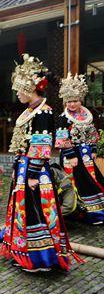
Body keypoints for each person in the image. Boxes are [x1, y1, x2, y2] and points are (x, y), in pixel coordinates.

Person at [0, 54, 82, 272]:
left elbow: (42, 145)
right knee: (25, 210)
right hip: (25, 167)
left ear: (30, 89)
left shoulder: (43, 112)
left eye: (19, 90)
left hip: (34, 169)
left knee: (37, 211)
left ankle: (41, 258)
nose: (17, 94)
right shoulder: (31, 111)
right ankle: (26, 251)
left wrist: (33, 174)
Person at [55, 73, 104, 225]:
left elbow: (93, 134)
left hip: (87, 155)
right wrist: (71, 155)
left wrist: (94, 149)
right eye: (68, 101)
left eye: (75, 101)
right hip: (72, 156)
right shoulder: (63, 117)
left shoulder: (87, 115)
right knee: (76, 182)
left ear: (80, 100)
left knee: (93, 180)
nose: (72, 104)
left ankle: (96, 212)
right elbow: (62, 138)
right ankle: (79, 212)